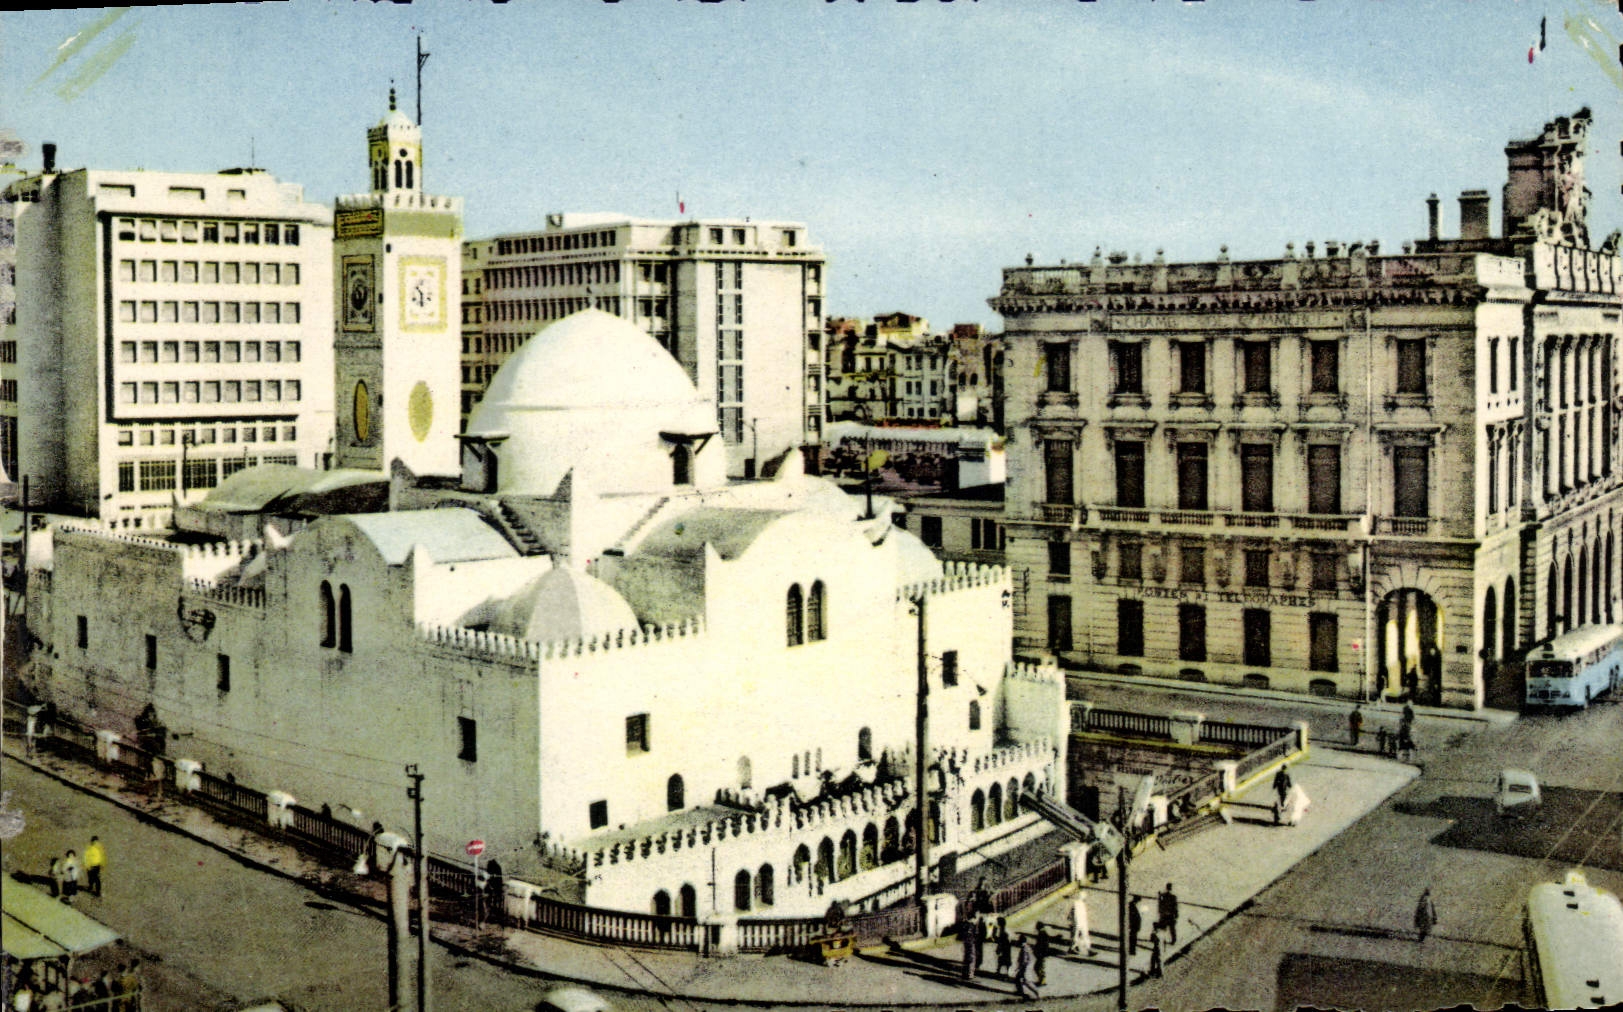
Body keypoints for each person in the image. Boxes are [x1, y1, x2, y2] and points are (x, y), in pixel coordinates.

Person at [1068, 891, 1092, 955]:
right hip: (1079, 923)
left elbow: (1071, 914)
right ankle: (1087, 949)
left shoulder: (1076, 904)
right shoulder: (1078, 904)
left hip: (1079, 923)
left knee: (1077, 936)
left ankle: (1087, 949)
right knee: (1081, 936)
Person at [959, 916, 978, 980]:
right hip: (971, 942)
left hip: (966, 942)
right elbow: (974, 934)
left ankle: (965, 973)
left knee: (966, 958)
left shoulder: (965, 924)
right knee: (971, 958)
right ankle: (969, 974)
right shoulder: (971, 924)